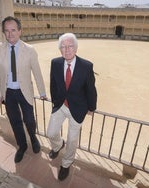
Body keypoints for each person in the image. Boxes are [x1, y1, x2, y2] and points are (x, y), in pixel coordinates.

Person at [0, 16, 47, 163]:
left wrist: (42, 92)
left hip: (24, 91)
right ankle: (22, 146)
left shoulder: (29, 50)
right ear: (4, 32)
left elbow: (37, 72)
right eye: (7, 31)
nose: (10, 34)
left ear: (20, 31)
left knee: (29, 120)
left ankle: (33, 139)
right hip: (8, 93)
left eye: (13, 30)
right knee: (15, 121)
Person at [47, 33, 97, 181]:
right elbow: (53, 84)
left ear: (75, 48)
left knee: (72, 139)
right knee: (50, 133)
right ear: (60, 49)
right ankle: (57, 146)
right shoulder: (55, 63)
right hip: (61, 105)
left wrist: (91, 107)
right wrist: (56, 102)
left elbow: (91, 89)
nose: (67, 49)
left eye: (70, 46)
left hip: (78, 108)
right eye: (63, 46)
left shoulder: (86, 66)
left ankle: (66, 163)